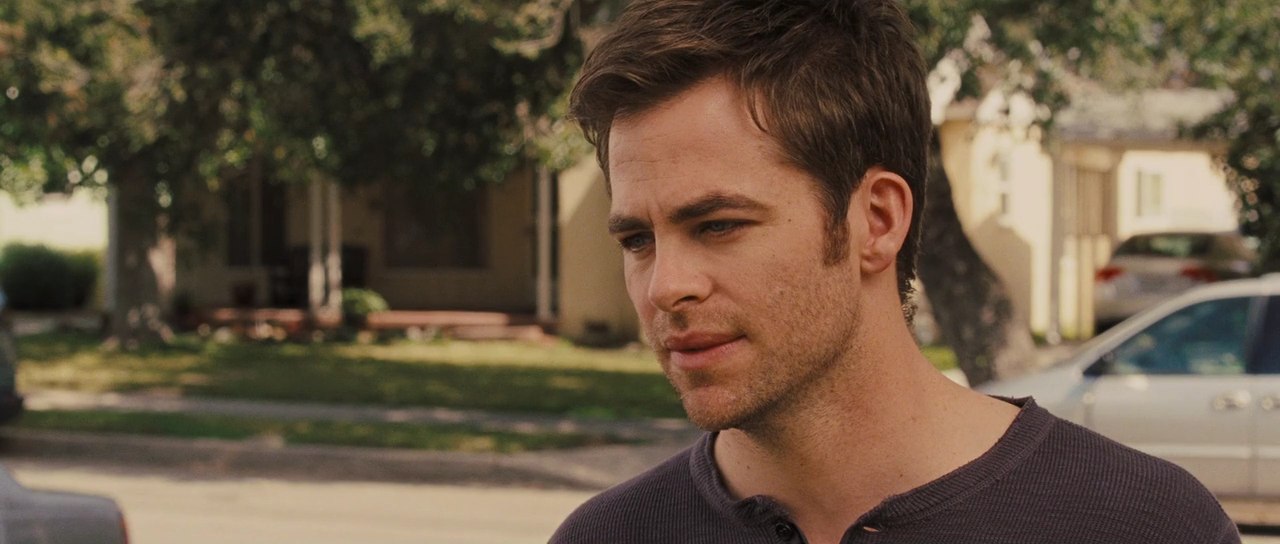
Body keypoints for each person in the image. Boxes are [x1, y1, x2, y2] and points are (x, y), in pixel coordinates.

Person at [551, 1, 1239, 542]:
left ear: (876, 221)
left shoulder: (1144, 526)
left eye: (719, 225)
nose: (666, 287)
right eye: (637, 240)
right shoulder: (608, 536)